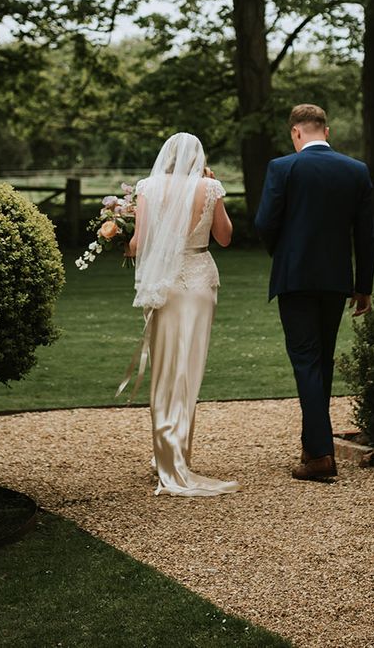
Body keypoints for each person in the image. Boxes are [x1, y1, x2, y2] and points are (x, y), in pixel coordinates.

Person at [255, 104, 374, 481]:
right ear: (327, 130)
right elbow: (365, 236)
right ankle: (313, 445)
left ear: (296, 133)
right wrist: (363, 287)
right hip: (336, 281)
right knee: (321, 360)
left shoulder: (283, 168)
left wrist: (284, 251)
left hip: (295, 278)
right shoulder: (355, 170)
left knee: (306, 360)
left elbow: (263, 224)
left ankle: (321, 454)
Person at [124, 132, 240, 496]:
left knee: (162, 371)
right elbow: (224, 238)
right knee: (188, 371)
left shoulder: (149, 186)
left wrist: (120, 235)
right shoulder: (209, 187)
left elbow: (138, 244)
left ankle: (167, 459)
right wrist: (210, 192)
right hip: (199, 282)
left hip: (165, 284)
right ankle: (176, 459)